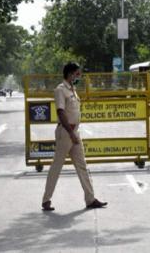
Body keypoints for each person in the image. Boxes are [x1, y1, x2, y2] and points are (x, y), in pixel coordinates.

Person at [42, 62, 107, 211]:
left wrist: (74, 133)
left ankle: (90, 199)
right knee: (57, 167)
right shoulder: (60, 90)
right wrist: (71, 133)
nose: (79, 76)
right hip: (65, 133)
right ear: (70, 74)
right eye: (77, 74)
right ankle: (46, 200)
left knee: (82, 166)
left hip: (74, 132)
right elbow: (60, 112)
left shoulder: (73, 90)